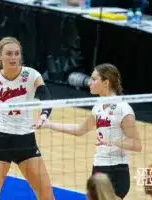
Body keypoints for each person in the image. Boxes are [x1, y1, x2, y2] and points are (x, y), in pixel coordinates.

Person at [0, 37, 55, 200]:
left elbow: (46, 98)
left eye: (17, 54)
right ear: (0, 56)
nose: (13, 58)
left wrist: (43, 115)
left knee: (47, 197)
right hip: (1, 143)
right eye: (9, 54)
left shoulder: (31, 75)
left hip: (26, 142)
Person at [39, 63, 142, 199]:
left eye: (94, 79)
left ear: (106, 83)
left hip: (116, 170)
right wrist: (49, 124)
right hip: (98, 166)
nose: (89, 82)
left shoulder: (123, 109)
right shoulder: (98, 106)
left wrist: (111, 142)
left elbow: (136, 145)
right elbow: (80, 130)